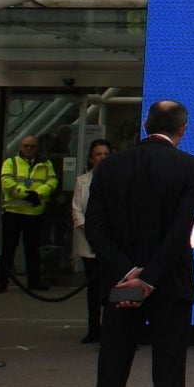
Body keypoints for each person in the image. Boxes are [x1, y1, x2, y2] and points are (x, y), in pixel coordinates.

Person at [85, 99, 194, 387]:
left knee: (112, 374)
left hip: (121, 284)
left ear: (144, 124)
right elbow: (179, 230)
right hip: (169, 284)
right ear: (182, 129)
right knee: (168, 376)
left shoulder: (111, 167)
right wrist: (151, 276)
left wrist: (127, 272)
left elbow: (95, 227)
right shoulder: (189, 167)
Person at [0, 134, 59, 292]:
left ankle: (34, 281)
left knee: (32, 250)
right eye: (26, 146)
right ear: (20, 147)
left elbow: (52, 182)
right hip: (13, 212)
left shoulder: (46, 164)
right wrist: (27, 194)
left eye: (32, 146)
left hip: (34, 213)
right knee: (8, 249)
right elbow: (7, 183)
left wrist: (38, 194)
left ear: (37, 148)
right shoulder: (10, 163)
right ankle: (1, 282)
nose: (29, 149)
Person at [69, 139, 112, 343]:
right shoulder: (82, 181)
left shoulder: (117, 180)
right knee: (92, 290)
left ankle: (112, 330)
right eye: (98, 154)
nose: (102, 158)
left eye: (105, 154)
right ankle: (93, 329)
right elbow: (77, 210)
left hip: (111, 245)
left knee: (111, 288)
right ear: (91, 158)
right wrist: (90, 231)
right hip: (88, 242)